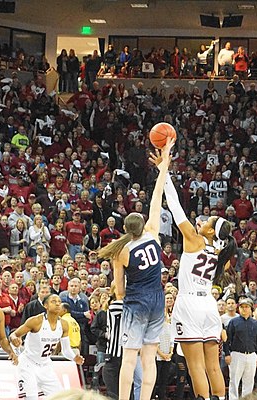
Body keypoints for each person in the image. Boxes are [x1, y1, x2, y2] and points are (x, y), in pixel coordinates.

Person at [97, 138, 174, 400]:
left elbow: (119, 291)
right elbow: (156, 195)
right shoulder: (153, 233)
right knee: (149, 358)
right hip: (157, 301)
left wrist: (124, 300)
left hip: (137, 302)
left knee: (129, 358)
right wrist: (164, 166)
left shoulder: (121, 251)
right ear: (141, 224)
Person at [160, 157, 237, 400]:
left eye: (209, 221)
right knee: (213, 366)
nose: (203, 220)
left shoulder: (194, 240)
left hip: (190, 305)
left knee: (195, 367)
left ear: (212, 232)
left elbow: (175, 207)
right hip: (209, 306)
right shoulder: (219, 252)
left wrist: (164, 172)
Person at [9, 294, 85, 400]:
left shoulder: (64, 324)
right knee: (31, 397)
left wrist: (74, 357)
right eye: (53, 301)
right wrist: (15, 340)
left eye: (59, 301)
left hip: (45, 365)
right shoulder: (36, 321)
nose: (58, 303)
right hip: (28, 364)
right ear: (46, 306)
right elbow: (13, 335)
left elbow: (66, 350)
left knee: (59, 397)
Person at [224, 297, 257, 400]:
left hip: (251, 355)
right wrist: (227, 354)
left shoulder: (256, 323)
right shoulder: (233, 322)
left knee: (249, 381)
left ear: (251, 309)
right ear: (239, 309)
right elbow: (226, 339)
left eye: (246, 307)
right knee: (234, 380)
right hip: (237, 354)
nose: (244, 309)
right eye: (242, 307)